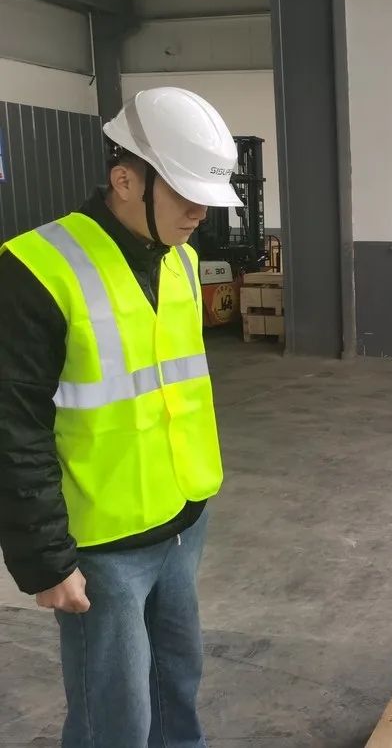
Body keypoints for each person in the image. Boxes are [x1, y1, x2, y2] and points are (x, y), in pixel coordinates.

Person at [0, 87, 242, 748]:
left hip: (181, 520)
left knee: (177, 685)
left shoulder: (182, 260)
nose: (200, 213)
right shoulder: (37, 268)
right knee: (115, 714)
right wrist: (46, 559)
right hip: (102, 544)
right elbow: (11, 425)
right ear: (126, 180)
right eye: (186, 194)